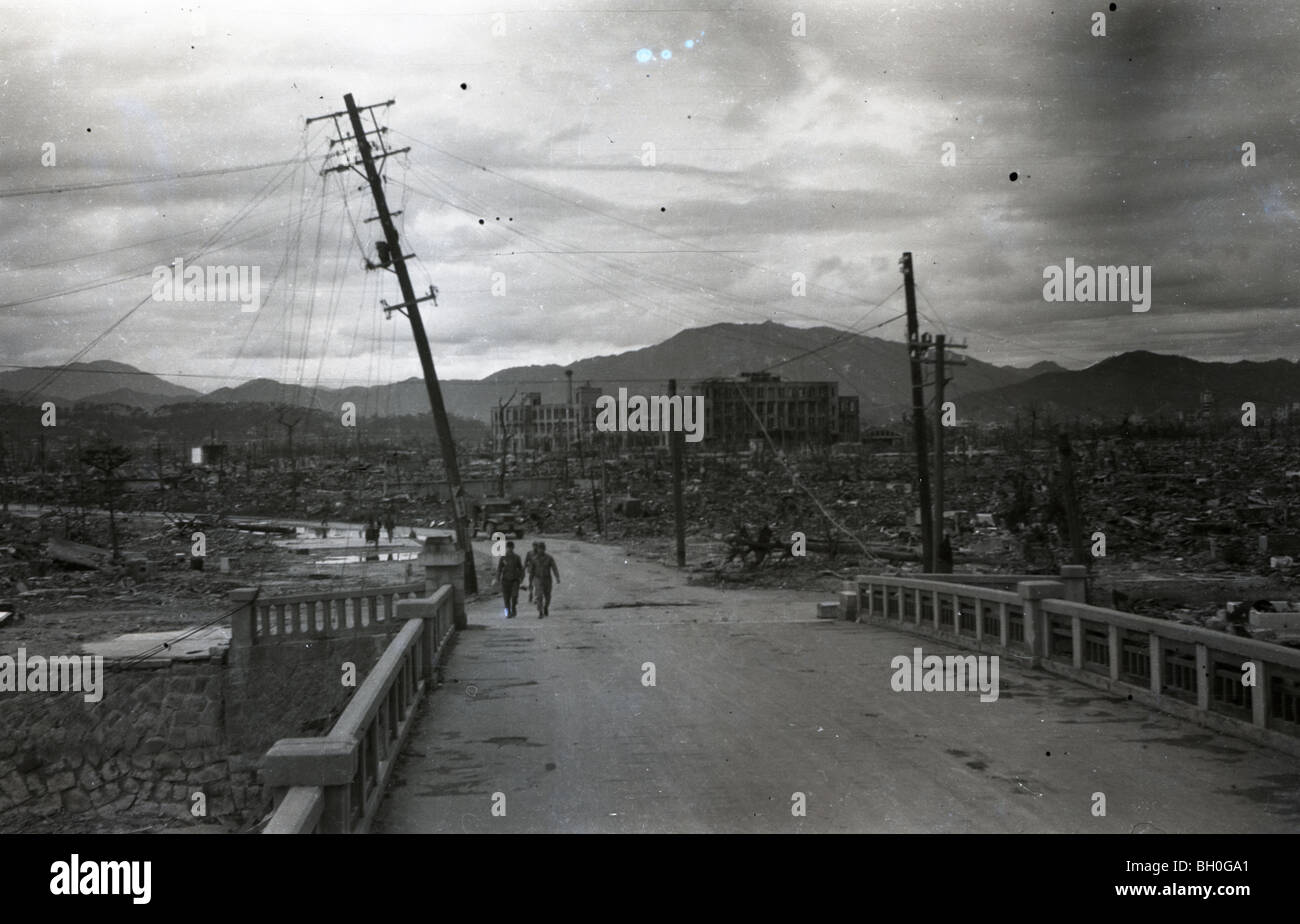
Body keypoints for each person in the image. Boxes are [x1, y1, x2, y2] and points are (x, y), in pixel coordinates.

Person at [527, 541, 560, 618]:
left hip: (547, 579)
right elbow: (531, 571)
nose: (541, 550)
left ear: (545, 549)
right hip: (537, 579)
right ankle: (540, 611)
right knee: (539, 595)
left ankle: (546, 607)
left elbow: (554, 568)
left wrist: (557, 577)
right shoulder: (534, 559)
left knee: (547, 596)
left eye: (542, 549)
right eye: (539, 549)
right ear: (537, 549)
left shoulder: (549, 558)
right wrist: (530, 582)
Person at [495, 540, 524, 618]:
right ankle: (507, 613)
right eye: (508, 548)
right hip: (505, 581)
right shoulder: (503, 558)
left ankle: (514, 608)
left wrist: (521, 577)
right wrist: (497, 578)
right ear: (506, 548)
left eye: (511, 548)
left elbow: (521, 568)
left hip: (515, 580)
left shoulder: (517, 557)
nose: (509, 550)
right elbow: (499, 569)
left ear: (513, 548)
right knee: (506, 599)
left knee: (514, 596)